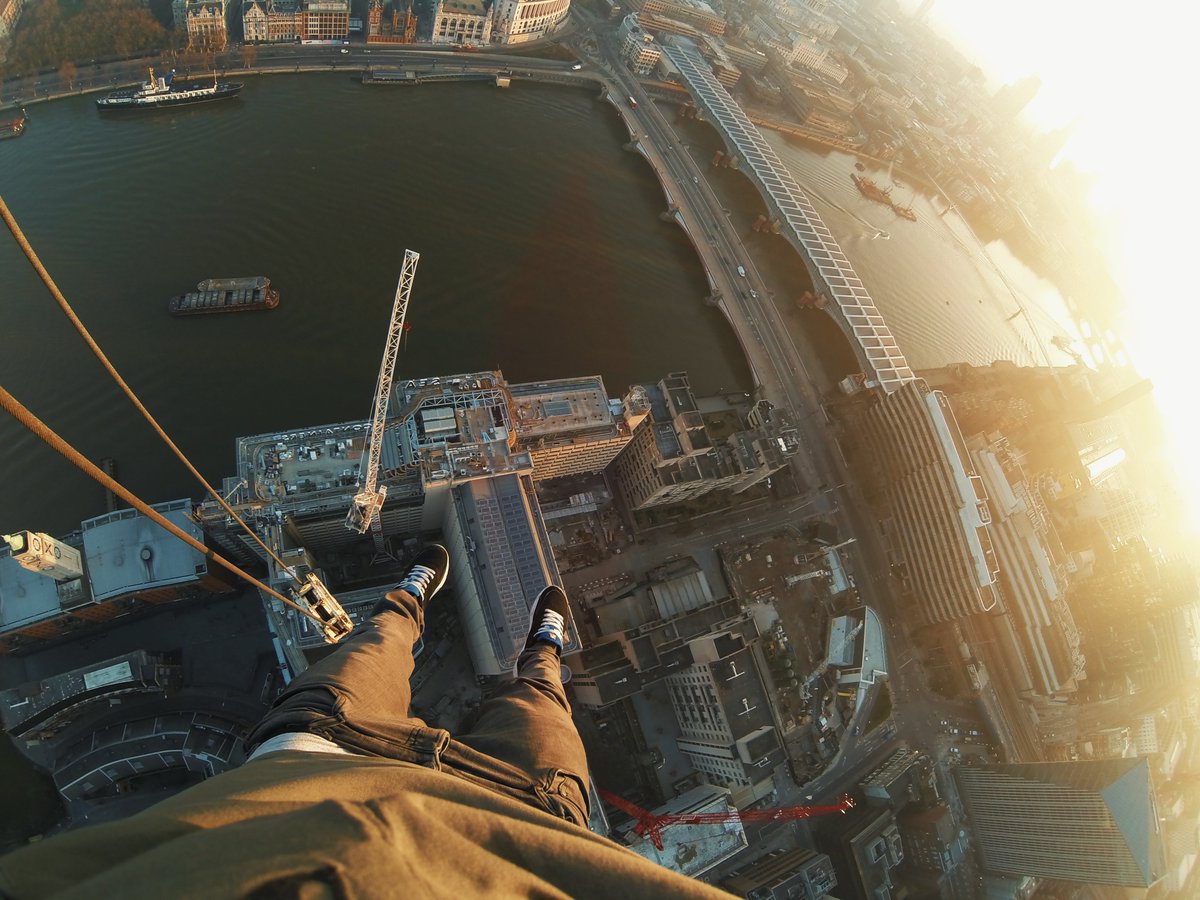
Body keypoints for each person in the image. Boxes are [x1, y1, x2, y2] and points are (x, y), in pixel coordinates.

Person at [0, 546, 728, 898]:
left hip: (315, 763)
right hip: (525, 822)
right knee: (541, 699)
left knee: (376, 643)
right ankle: (543, 647)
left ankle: (410, 597)